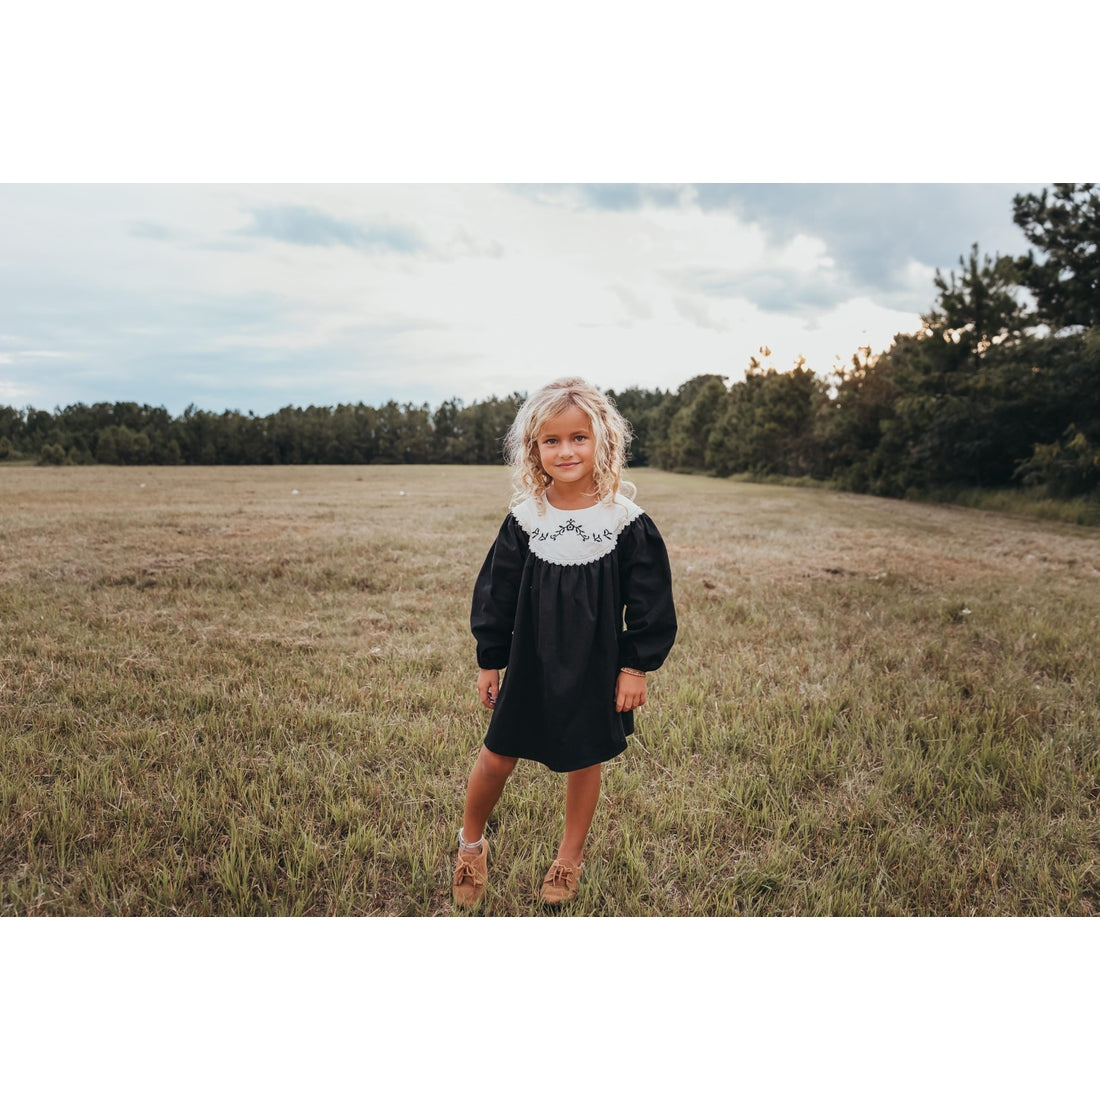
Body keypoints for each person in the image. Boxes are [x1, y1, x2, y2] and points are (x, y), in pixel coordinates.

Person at [454, 377, 677, 909]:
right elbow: (496, 593)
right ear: (534, 450)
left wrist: (635, 667)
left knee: (585, 759)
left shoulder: (625, 523)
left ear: (604, 440)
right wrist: (490, 660)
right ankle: (470, 846)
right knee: (496, 756)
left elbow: (650, 604)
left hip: (595, 666)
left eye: (578, 437)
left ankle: (569, 858)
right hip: (530, 662)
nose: (566, 450)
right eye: (551, 441)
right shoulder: (528, 520)